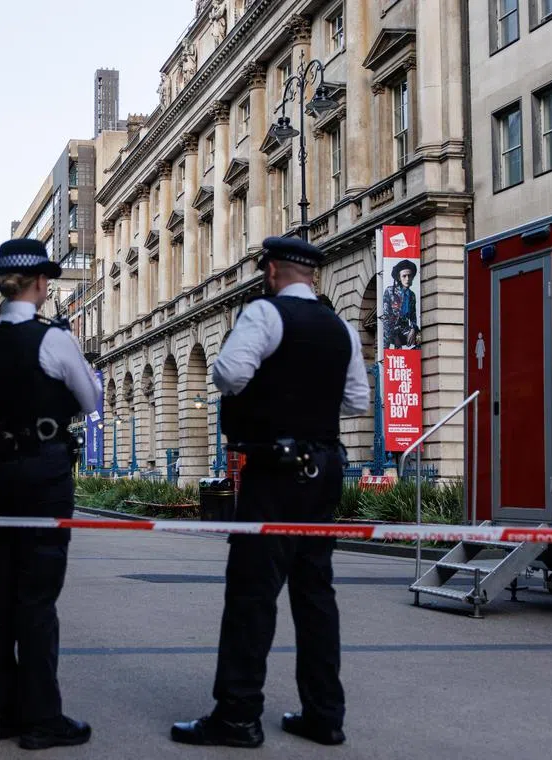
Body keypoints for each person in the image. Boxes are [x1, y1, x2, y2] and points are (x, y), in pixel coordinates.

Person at [171, 236, 370, 749]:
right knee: (315, 592)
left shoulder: (264, 315)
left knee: (252, 592)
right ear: (315, 276)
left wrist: (269, 395)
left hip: (274, 471)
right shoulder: (341, 328)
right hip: (324, 469)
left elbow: (228, 372)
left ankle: (238, 715)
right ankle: (325, 714)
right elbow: (357, 400)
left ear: (273, 271)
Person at [0, 238, 101, 751]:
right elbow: (90, 399)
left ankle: (0, 712)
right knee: (38, 594)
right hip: (42, 472)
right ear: (42, 284)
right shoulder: (53, 339)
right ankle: (43, 716)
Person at [381, 259, 419, 349]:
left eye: (410, 276)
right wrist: (394, 335)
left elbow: (413, 317)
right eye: (404, 276)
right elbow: (386, 316)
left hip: (404, 329)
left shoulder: (412, 295)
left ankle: (411, 360)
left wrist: (413, 329)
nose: (407, 279)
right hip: (390, 329)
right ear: (399, 277)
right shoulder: (390, 291)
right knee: (387, 349)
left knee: (420, 338)